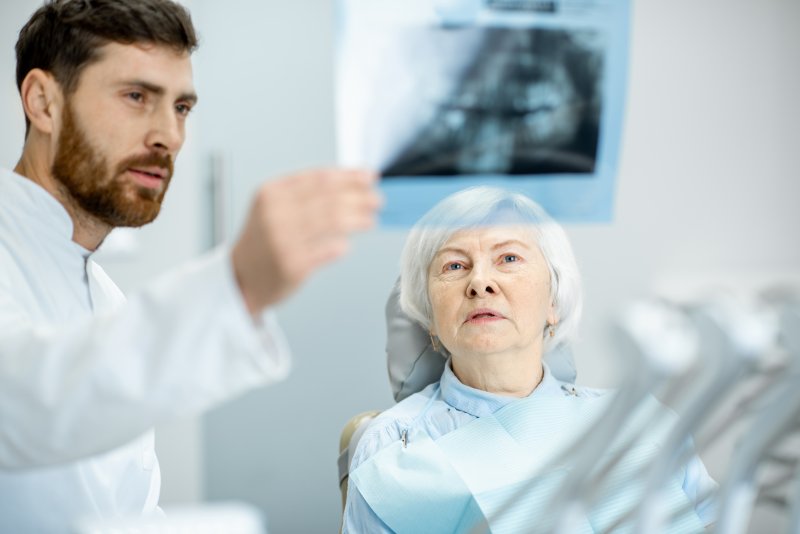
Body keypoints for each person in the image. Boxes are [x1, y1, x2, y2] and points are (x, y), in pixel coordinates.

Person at [0, 0, 380, 531]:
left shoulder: (106, 299)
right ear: (43, 102)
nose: (170, 136)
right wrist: (238, 283)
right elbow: (23, 402)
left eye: (181, 107)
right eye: (137, 97)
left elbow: (129, 512)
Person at [342, 187, 717, 533]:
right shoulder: (394, 451)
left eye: (508, 258)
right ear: (430, 321)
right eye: (454, 266)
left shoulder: (640, 424)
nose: (481, 282)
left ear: (553, 301)